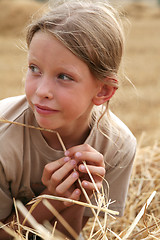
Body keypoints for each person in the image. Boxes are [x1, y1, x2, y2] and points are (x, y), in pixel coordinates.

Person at [0, 0, 136, 239]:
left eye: (63, 76)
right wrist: (50, 200)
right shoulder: (4, 134)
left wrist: (75, 199)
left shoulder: (118, 146)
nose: (42, 90)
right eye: (34, 68)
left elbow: (67, 236)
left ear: (103, 91)